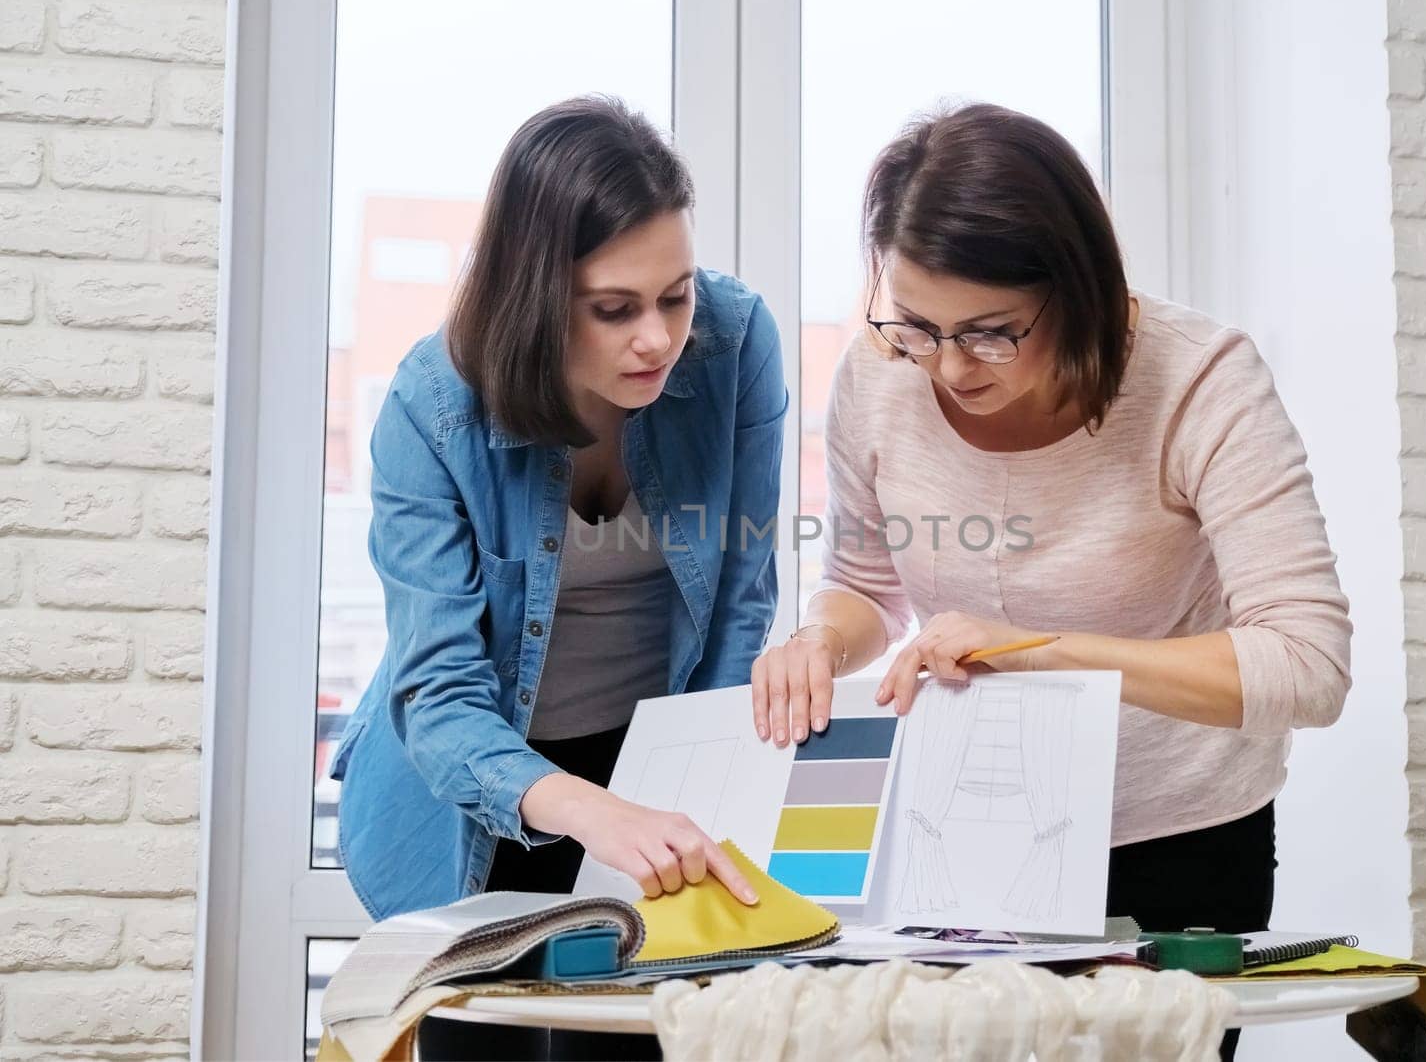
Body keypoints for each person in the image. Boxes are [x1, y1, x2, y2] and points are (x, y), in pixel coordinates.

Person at [751, 103, 1352, 1060]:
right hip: (960, 837)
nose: (948, 366)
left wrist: (1043, 652)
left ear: (1075, 289)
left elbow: (1309, 664)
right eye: (918, 324)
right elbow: (865, 582)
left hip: (1177, 843)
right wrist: (820, 638)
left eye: (991, 332)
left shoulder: (1201, 380)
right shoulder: (881, 375)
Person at [329, 96, 786, 1059]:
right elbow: (441, 693)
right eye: (614, 309)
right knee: (483, 1043)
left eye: (677, 293)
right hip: (477, 787)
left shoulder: (737, 343)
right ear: (536, 295)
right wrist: (586, 805)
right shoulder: (431, 405)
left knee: (632, 1045)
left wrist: (696, 788)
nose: (658, 338)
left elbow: (741, 601)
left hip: (652, 766)